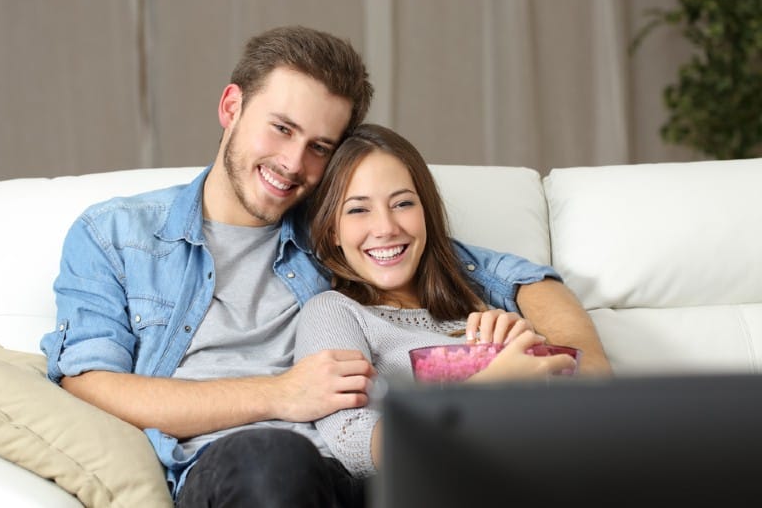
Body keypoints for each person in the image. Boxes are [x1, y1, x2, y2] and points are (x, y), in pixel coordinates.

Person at [40, 25, 609, 507]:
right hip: (239, 469)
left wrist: (588, 373)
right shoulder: (117, 234)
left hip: (361, 469)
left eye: (319, 146)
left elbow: (514, 276)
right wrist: (279, 394)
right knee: (275, 461)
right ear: (231, 107)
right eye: (282, 129)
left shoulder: (337, 229)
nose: (292, 163)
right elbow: (88, 384)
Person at [294, 123, 583, 478]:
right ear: (332, 230)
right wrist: (487, 389)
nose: (385, 227)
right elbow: (354, 444)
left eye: (402, 203)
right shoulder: (332, 312)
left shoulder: (479, 305)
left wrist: (530, 349)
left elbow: (576, 421)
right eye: (358, 210)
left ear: (425, 213)